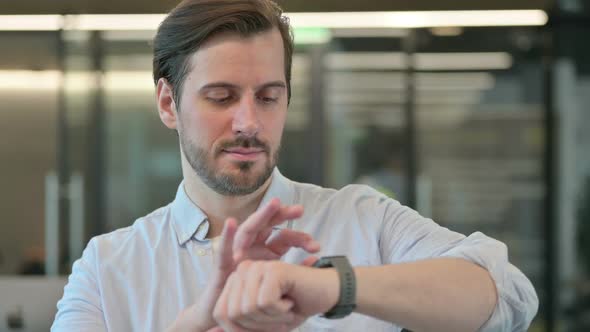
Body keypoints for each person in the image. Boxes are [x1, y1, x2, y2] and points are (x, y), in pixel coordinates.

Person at [51, 0, 539, 331]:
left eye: (268, 97)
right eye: (221, 97)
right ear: (168, 103)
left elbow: (508, 295)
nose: (248, 121)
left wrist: (328, 286)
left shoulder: (363, 218)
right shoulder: (108, 266)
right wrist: (199, 321)